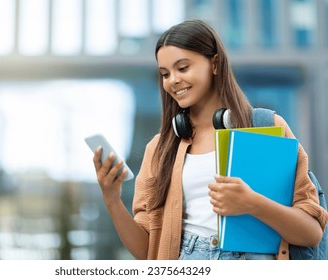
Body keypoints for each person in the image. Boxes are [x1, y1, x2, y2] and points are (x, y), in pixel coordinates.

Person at [92, 19, 328, 260]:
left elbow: (311, 233)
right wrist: (112, 199)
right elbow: (146, 252)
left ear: (214, 63)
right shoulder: (160, 149)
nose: (172, 80)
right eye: (165, 74)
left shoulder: (266, 128)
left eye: (182, 68)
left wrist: (251, 203)